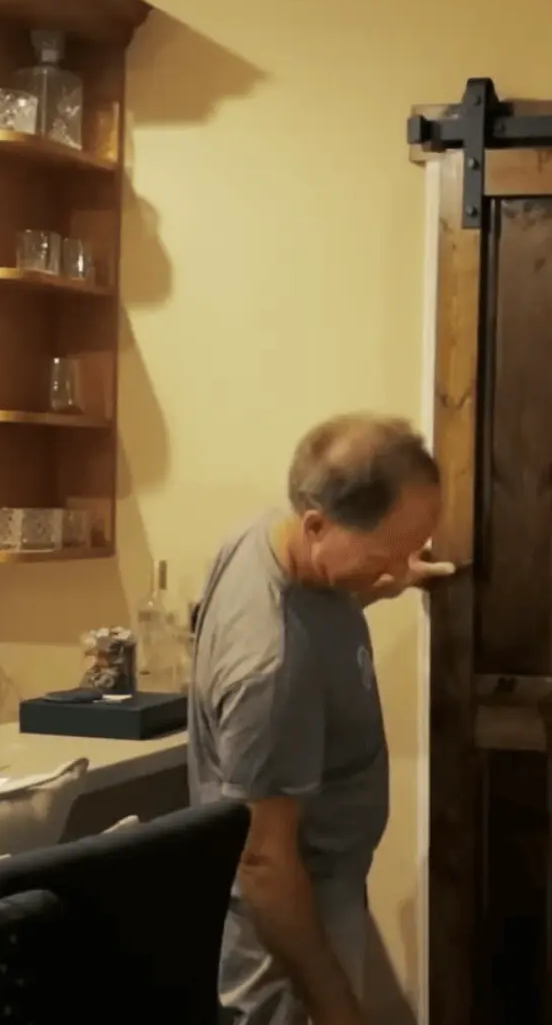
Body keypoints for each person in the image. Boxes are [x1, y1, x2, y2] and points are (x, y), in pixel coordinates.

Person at [188, 413, 453, 1025]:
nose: (395, 566)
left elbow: (317, 615)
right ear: (316, 524)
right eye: (386, 551)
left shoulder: (271, 537)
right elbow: (263, 863)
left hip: (326, 883)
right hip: (284, 922)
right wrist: (335, 1007)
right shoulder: (271, 669)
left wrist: (382, 583)